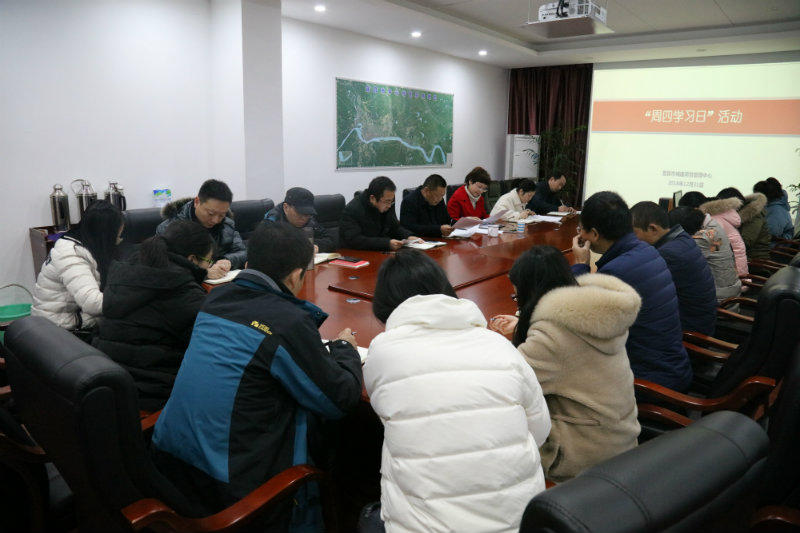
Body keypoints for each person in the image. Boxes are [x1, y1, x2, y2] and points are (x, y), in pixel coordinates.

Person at [151, 221, 363, 531]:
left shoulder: (214, 300)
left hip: (170, 470)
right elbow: (339, 399)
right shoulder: (287, 322)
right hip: (230, 495)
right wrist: (344, 349)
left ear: (249, 264)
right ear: (296, 276)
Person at [363, 249, 550, 533]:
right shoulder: (498, 344)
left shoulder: (382, 351)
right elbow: (540, 430)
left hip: (426, 526)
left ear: (384, 306)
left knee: (369, 514)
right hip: (519, 522)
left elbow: (393, 419)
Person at [489, 246, 641, 483]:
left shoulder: (551, 338)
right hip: (619, 437)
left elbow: (508, 384)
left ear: (531, 293)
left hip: (583, 455)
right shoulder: (596, 315)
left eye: (517, 298)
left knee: (492, 436)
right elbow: (570, 352)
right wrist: (521, 323)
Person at [572, 192, 692, 393]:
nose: (580, 236)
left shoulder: (615, 272)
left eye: (580, 230)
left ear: (594, 234)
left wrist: (580, 265)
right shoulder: (648, 250)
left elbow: (577, 321)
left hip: (648, 381)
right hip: (672, 367)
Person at [92, 220, 213, 411]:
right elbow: (206, 345)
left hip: (108, 376)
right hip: (150, 390)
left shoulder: (127, 268)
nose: (208, 267)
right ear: (192, 259)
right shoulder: (182, 291)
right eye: (208, 261)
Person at [31, 200, 124, 331]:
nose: (117, 243)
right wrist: (131, 298)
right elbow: (93, 303)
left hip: (70, 320)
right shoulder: (71, 254)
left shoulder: (86, 244)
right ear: (104, 236)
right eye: (116, 238)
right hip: (54, 329)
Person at [631, 201, 717, 336]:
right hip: (700, 319)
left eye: (633, 233)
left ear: (653, 229)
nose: (631, 239)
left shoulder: (668, 255)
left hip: (689, 331)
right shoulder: (682, 238)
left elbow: (642, 294)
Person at [156, 179, 246, 279]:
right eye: (210, 214)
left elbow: (243, 252)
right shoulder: (169, 228)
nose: (215, 220)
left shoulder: (227, 225)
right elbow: (164, 265)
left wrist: (227, 260)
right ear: (197, 202)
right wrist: (202, 273)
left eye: (221, 215)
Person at [668, 206, 741, 303]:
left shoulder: (703, 238)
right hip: (729, 289)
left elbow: (679, 257)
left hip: (720, 297)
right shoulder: (713, 225)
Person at [340, 176, 418, 250]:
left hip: (380, 251)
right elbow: (355, 240)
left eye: (391, 201)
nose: (389, 206)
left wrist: (408, 236)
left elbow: (394, 227)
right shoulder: (352, 210)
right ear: (372, 198)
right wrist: (386, 243)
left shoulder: (388, 203)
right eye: (387, 201)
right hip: (359, 253)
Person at [681, 191, 748, 276]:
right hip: (735, 269)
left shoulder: (714, 222)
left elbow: (711, 250)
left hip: (735, 274)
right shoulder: (720, 215)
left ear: (695, 209)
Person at [264, 186, 336, 252]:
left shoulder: (309, 219)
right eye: (299, 212)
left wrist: (316, 246)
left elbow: (331, 239)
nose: (304, 218)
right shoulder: (271, 222)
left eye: (307, 213)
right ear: (286, 208)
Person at [717, 187, 770, 262]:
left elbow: (746, 241)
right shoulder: (736, 215)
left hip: (754, 259)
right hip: (740, 255)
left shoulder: (753, 215)